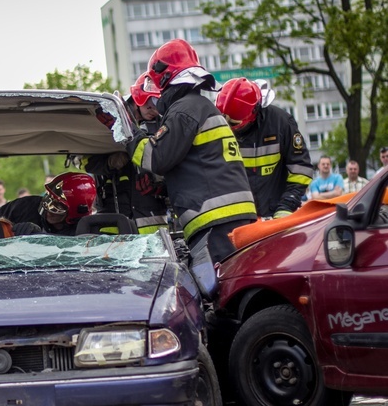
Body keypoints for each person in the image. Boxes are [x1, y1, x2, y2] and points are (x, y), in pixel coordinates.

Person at [114, 39, 256, 264]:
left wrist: (127, 129)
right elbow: (198, 163)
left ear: (164, 75)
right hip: (230, 217)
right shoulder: (201, 107)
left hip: (215, 221)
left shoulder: (184, 110)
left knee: (216, 290)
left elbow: (155, 157)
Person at [215, 77, 313, 218]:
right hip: (239, 216)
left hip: (276, 212)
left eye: (234, 123)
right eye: (224, 120)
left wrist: (287, 205)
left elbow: (301, 169)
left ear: (253, 114)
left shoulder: (281, 123)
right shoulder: (218, 124)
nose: (228, 128)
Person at [88, 72, 169, 234]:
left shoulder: (164, 124)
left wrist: (160, 184)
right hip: (113, 219)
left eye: (157, 103)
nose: (154, 109)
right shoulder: (110, 115)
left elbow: (169, 162)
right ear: (139, 97)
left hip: (152, 222)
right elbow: (84, 160)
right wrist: (110, 163)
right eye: (149, 103)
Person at [0, 172, 96, 236]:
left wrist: (39, 237)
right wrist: (9, 228)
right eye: (49, 198)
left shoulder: (86, 232)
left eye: (58, 205)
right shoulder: (25, 206)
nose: (49, 209)